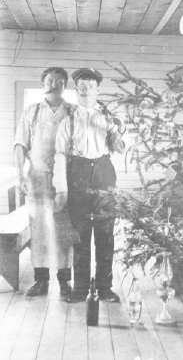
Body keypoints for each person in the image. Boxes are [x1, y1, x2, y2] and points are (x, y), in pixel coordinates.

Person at [53, 68, 126, 303]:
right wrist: (62, 189)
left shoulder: (107, 117)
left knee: (105, 234)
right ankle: (80, 288)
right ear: (76, 90)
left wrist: (119, 129)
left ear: (98, 90)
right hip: (78, 175)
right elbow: (60, 156)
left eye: (91, 87)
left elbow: (119, 148)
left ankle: (105, 288)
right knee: (80, 235)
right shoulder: (68, 121)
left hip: (104, 173)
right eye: (82, 87)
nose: (86, 91)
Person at [14, 67, 75, 299]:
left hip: (64, 180)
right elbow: (20, 144)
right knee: (39, 230)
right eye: (50, 80)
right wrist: (20, 174)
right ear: (43, 84)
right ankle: (41, 280)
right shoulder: (32, 112)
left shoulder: (72, 111)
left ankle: (65, 282)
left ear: (65, 86)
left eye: (60, 81)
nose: (55, 84)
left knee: (63, 229)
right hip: (37, 178)